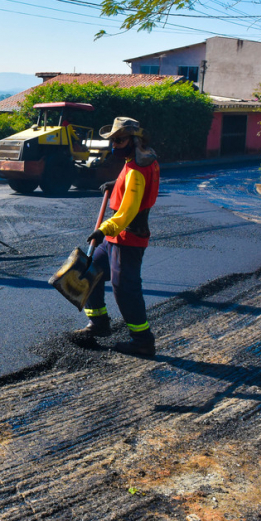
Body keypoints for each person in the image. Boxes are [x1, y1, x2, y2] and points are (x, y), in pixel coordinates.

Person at [72, 117, 160, 357]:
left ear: (134, 140)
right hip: (117, 237)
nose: (114, 146)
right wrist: (116, 182)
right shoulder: (137, 159)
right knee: (89, 272)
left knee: (125, 289)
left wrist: (103, 230)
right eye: (112, 141)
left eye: (119, 140)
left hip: (129, 238)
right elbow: (129, 181)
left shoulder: (138, 169)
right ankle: (98, 324)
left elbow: (127, 213)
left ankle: (142, 341)